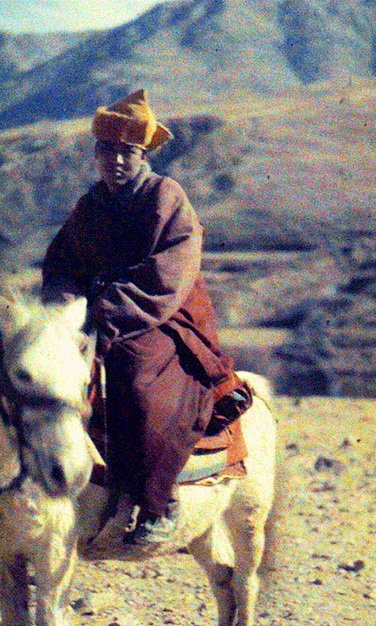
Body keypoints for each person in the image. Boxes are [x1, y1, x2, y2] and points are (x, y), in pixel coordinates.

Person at [42, 89, 245, 548]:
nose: (115, 160)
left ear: (144, 154)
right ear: (96, 152)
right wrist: (66, 306)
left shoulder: (166, 197)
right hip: (97, 310)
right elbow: (63, 263)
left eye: (127, 152)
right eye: (107, 150)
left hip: (160, 314)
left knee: (138, 383)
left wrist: (107, 310)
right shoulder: (91, 205)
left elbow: (169, 273)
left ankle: (160, 499)